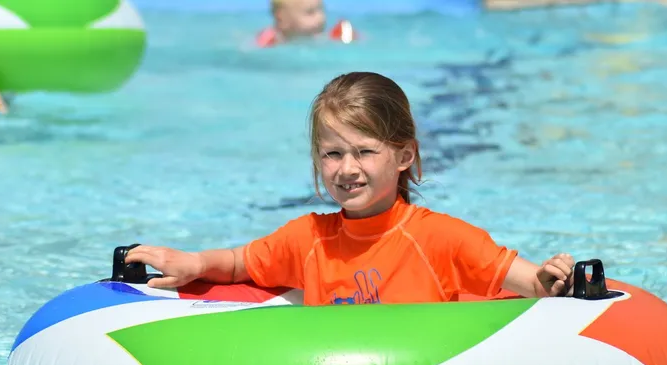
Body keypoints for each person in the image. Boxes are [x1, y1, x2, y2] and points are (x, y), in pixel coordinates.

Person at [125, 71, 576, 305]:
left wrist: (552, 278)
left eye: (364, 151)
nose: (346, 169)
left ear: (404, 156)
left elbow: (528, 284)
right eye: (331, 154)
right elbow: (243, 263)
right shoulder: (308, 239)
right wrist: (194, 262)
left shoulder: (440, 239)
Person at [256, 0, 356, 48]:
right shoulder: (270, 40)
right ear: (282, 18)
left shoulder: (325, 36)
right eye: (310, 12)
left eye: (321, 9)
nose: (321, 17)